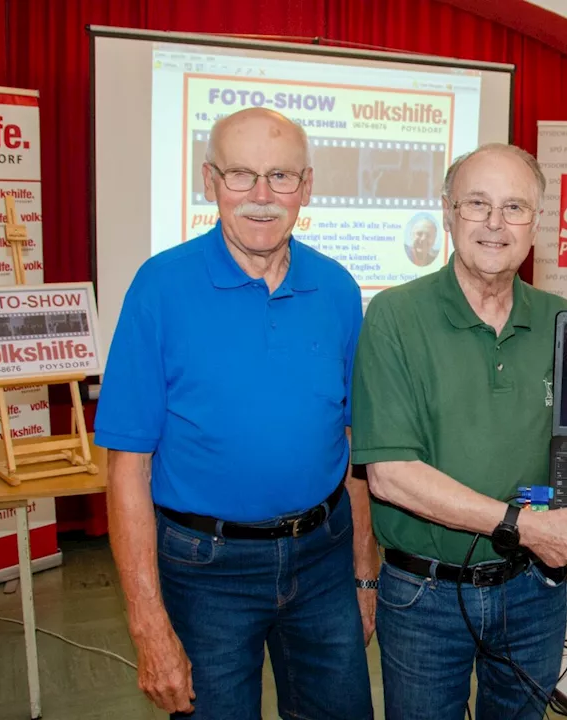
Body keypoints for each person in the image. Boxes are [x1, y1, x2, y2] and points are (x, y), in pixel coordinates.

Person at [96, 108, 374, 720]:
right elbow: (127, 468)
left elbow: (354, 444)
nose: (261, 197)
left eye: (280, 177)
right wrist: (147, 625)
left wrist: (364, 573)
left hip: (323, 560)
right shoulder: (159, 288)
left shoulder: (337, 289)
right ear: (208, 181)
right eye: (241, 175)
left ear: (306, 186)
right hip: (205, 572)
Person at [350, 142, 567, 720]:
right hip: (426, 595)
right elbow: (392, 477)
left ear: (536, 224)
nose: (495, 223)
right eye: (477, 203)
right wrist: (521, 525)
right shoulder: (395, 316)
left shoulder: (559, 317)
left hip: (534, 590)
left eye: (515, 207)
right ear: (447, 211)